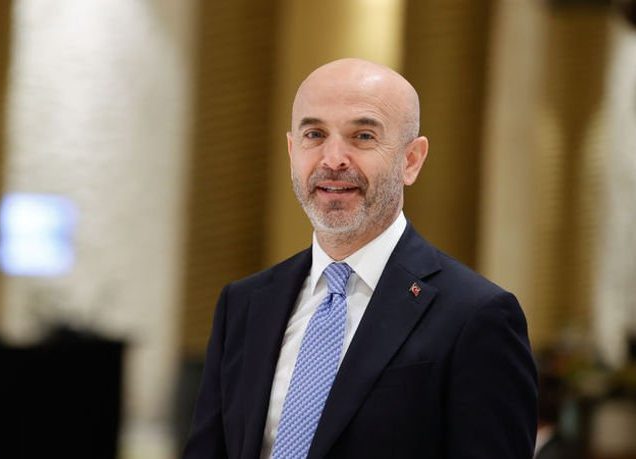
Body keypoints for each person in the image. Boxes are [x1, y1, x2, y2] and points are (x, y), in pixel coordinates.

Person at [184, 58, 537, 459]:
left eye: (363, 136)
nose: (333, 159)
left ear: (411, 160)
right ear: (292, 150)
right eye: (314, 134)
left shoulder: (477, 316)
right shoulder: (244, 304)